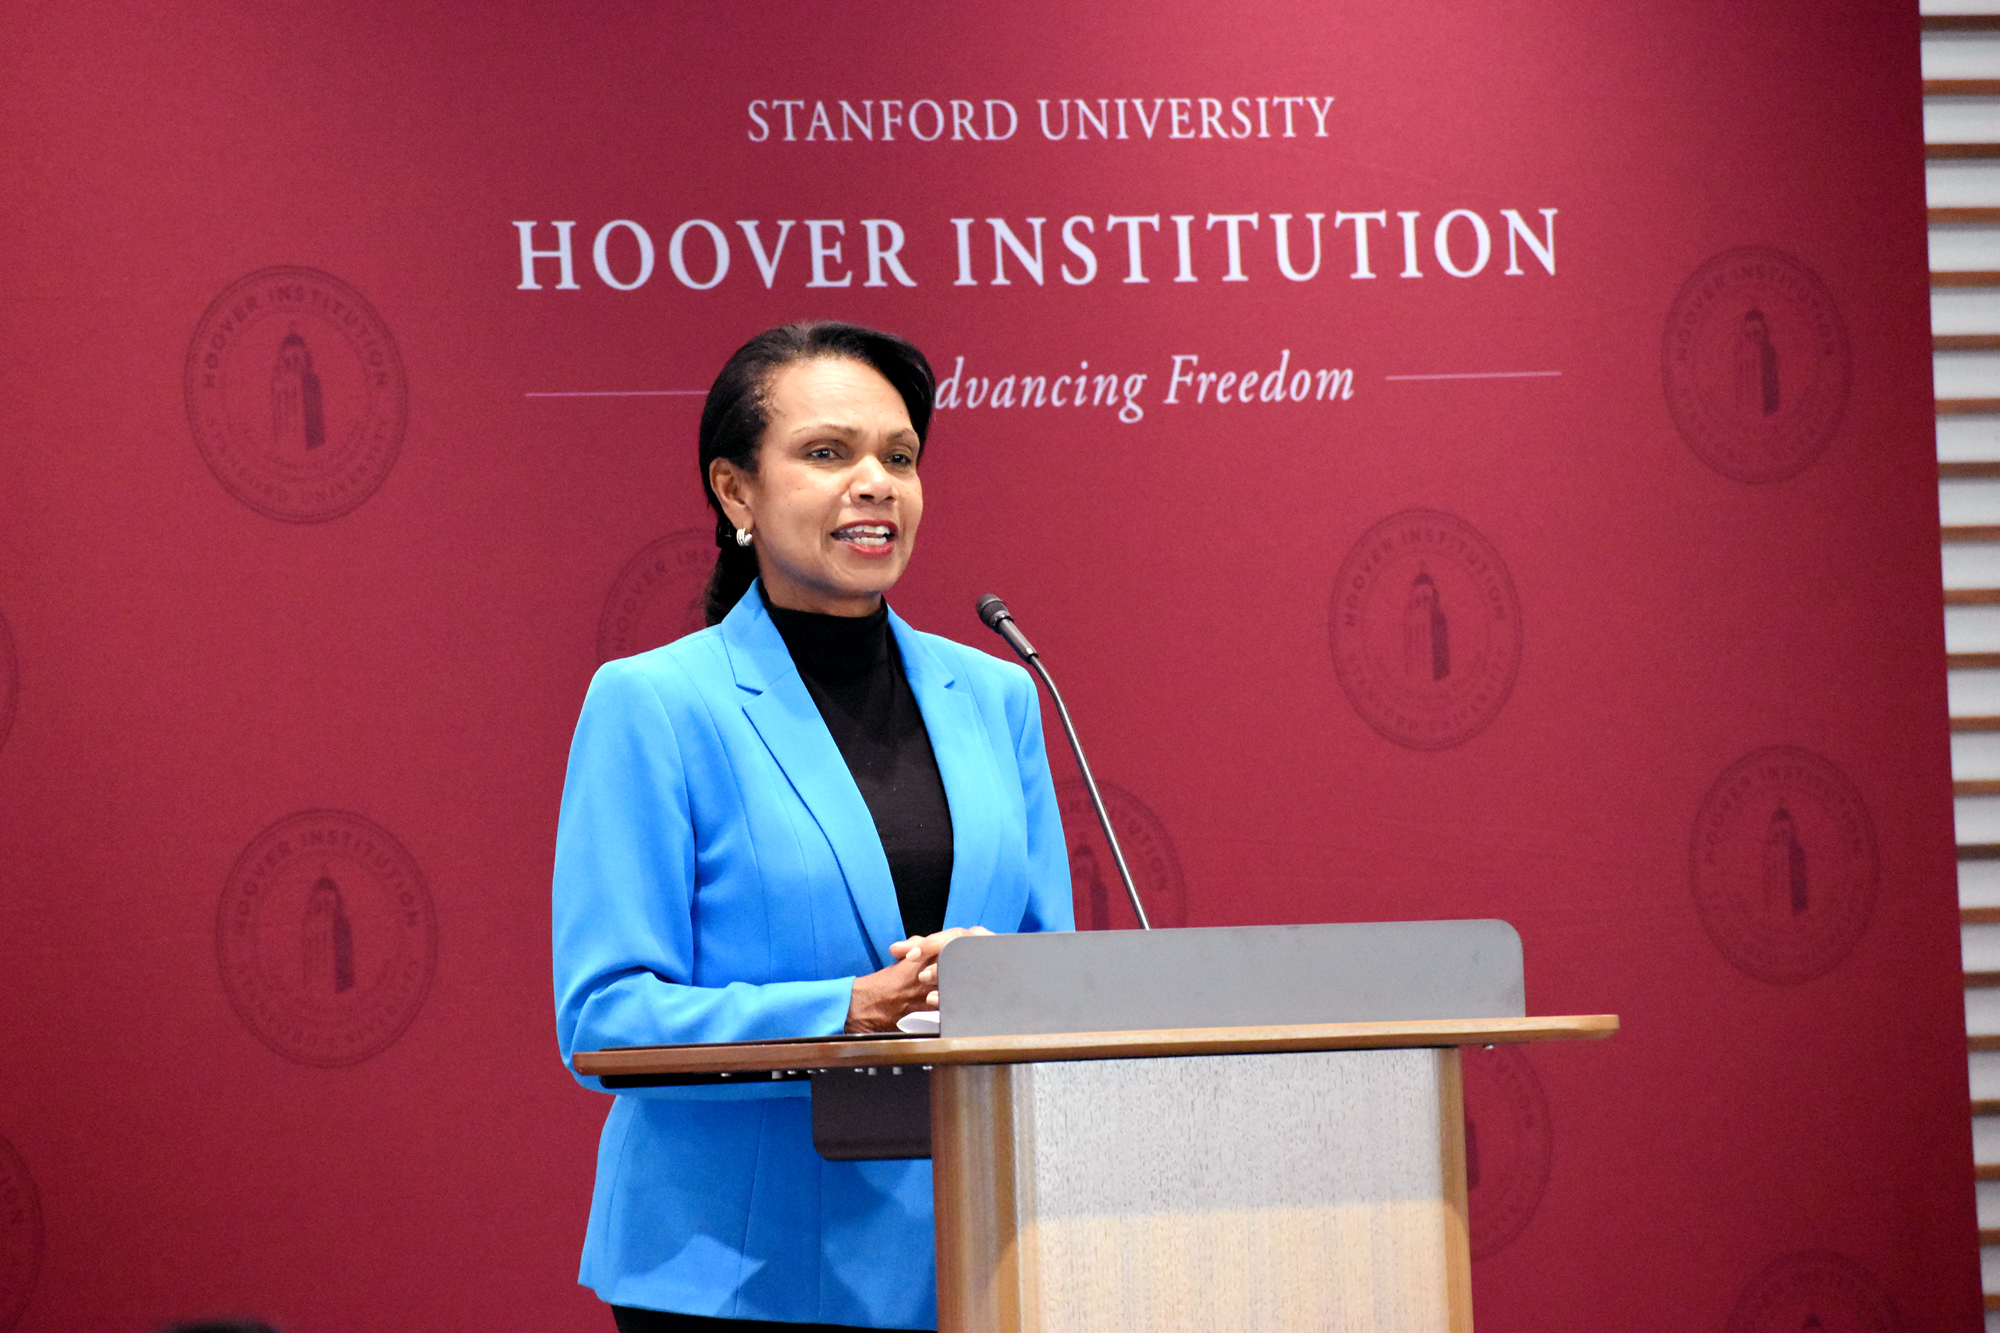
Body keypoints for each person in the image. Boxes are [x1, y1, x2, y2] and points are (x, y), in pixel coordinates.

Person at [552, 322, 1073, 1331]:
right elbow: (606, 1020)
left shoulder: (997, 695)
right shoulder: (655, 702)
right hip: (739, 1264)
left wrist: (1001, 978)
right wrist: (854, 1007)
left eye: (899, 456)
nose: (875, 482)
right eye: (827, 453)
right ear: (734, 491)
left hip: (970, 1251)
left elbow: (1049, 967)